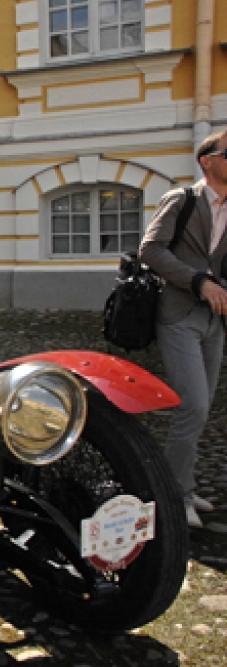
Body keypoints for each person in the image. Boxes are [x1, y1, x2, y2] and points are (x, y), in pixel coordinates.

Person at [139, 130, 227, 529]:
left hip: (214, 320)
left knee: (202, 407)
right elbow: (151, 250)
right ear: (206, 160)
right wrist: (197, 282)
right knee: (192, 405)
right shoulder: (183, 200)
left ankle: (185, 485)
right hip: (178, 315)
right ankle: (174, 494)